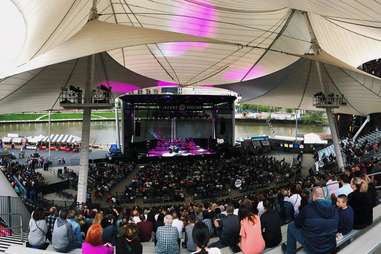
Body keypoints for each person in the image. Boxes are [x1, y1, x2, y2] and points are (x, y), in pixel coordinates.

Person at [282, 187, 338, 254]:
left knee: (291, 226)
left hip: (313, 249)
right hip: (330, 247)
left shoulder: (307, 209)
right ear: (323, 195)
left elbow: (297, 224)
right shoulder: (335, 209)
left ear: (313, 196)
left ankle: (290, 252)